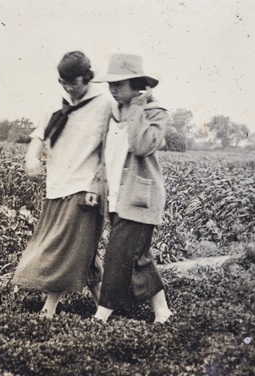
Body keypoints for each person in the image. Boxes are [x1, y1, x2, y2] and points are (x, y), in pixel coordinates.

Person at [11, 51, 112, 318]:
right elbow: (38, 136)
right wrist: (31, 158)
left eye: (74, 83)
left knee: (63, 248)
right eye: (63, 82)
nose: (68, 88)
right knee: (83, 252)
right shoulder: (58, 102)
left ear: (87, 78)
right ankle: (108, 310)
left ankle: (50, 308)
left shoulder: (105, 103)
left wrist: (96, 183)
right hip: (56, 187)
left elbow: (109, 150)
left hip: (85, 189)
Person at [93, 53, 173, 323]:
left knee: (117, 254)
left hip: (140, 199)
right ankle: (162, 311)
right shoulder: (112, 113)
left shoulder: (155, 113)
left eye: (120, 84)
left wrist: (138, 106)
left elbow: (141, 146)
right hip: (115, 196)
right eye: (110, 84)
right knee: (138, 256)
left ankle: (102, 314)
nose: (113, 90)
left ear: (136, 83)